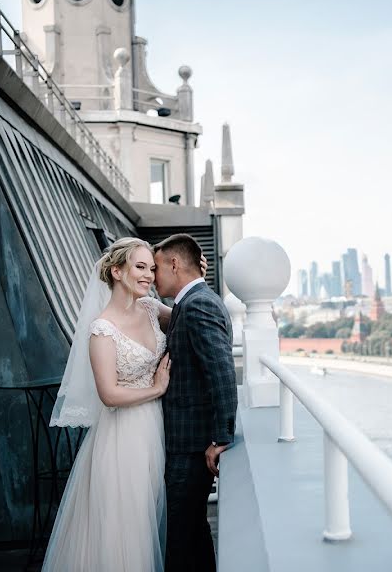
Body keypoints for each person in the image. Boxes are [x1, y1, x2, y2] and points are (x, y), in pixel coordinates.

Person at [43, 238, 173, 571]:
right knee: (126, 525)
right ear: (116, 271)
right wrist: (156, 388)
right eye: (140, 267)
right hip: (123, 436)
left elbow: (188, 315)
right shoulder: (102, 329)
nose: (149, 276)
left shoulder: (150, 308)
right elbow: (109, 394)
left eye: (152, 268)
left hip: (155, 428)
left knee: (149, 514)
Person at [154, 233, 237, 572]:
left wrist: (220, 439)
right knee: (192, 530)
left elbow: (221, 373)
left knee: (180, 535)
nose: (154, 278)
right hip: (186, 442)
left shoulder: (197, 304)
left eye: (157, 268)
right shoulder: (191, 302)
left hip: (192, 445)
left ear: (174, 264)